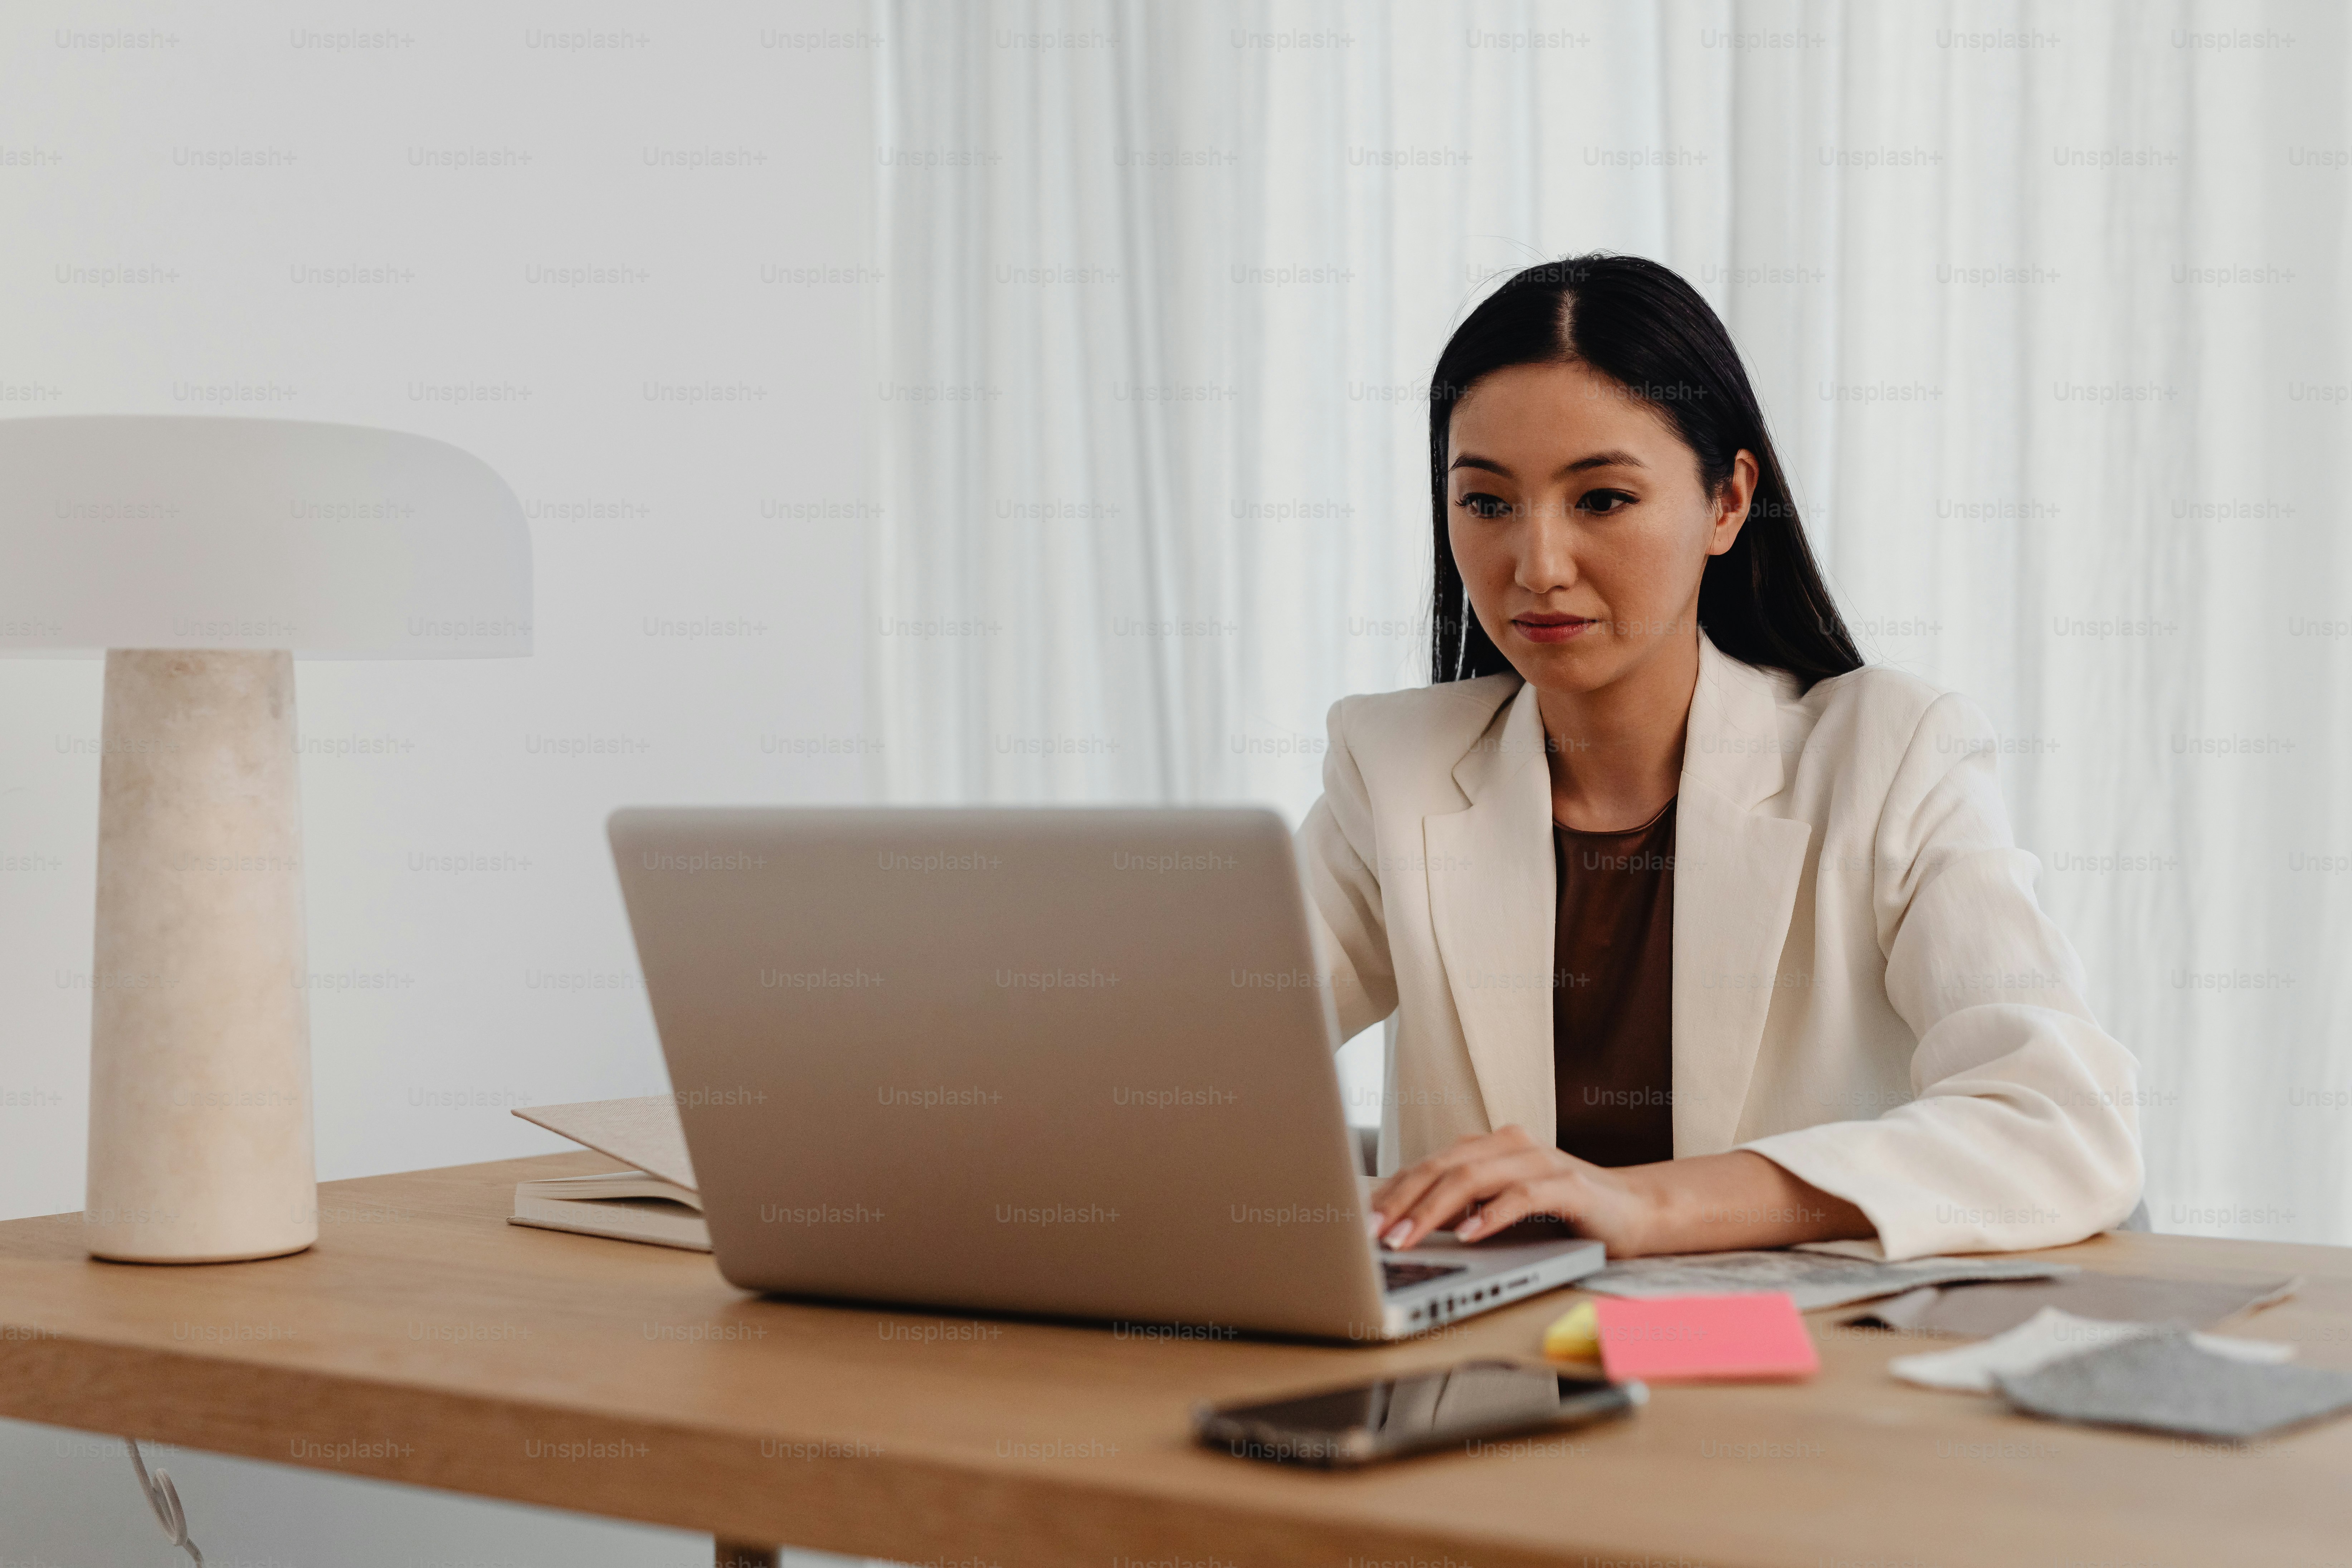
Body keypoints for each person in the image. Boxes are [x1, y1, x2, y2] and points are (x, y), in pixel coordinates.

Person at [1301, 254, 2143, 1262]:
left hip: (1793, 1386)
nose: (1537, 566)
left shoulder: (1888, 757)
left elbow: (2062, 1123)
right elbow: (1192, 1066)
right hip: (1490, 1385)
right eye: (1486, 503)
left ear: (1728, 503)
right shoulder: (1391, 768)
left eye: (1602, 499)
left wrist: (1646, 1207)